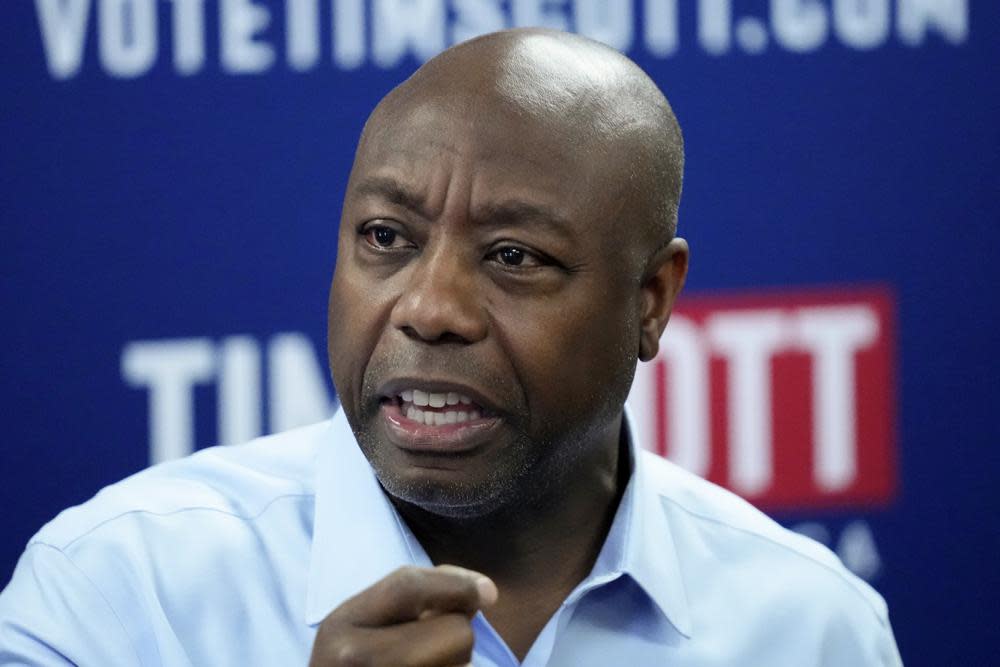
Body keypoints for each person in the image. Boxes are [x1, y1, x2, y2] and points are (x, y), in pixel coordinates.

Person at [0, 28, 901, 666]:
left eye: (515, 256)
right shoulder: (118, 596)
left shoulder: (814, 629)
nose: (428, 309)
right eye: (387, 238)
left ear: (651, 301)